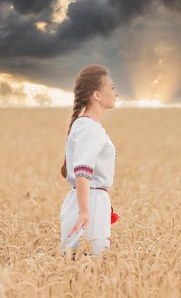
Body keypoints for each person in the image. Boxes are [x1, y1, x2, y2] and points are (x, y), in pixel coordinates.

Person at [60, 63, 119, 258]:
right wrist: (85, 211)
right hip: (90, 201)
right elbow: (83, 171)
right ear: (97, 95)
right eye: (111, 87)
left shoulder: (83, 124)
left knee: (78, 266)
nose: (116, 93)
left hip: (87, 199)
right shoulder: (89, 128)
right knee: (91, 267)